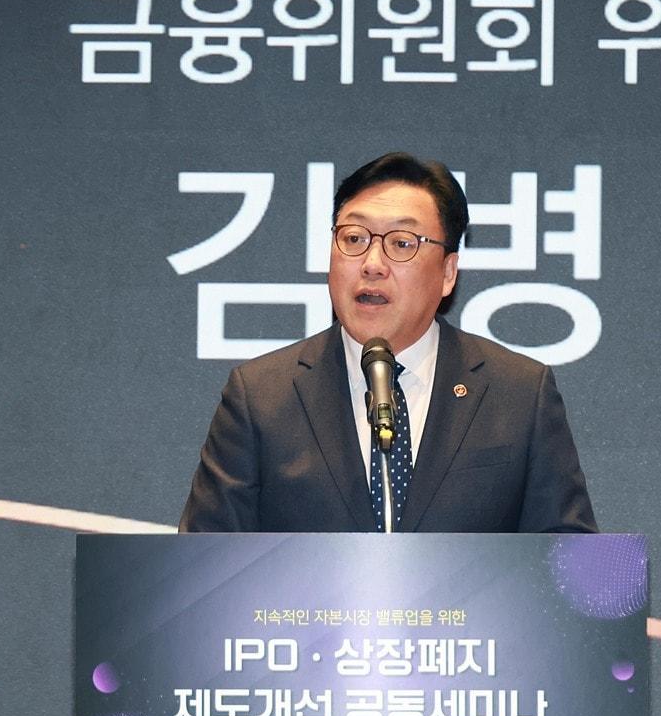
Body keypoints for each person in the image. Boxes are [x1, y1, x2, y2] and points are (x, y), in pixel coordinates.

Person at [179, 152, 596, 533]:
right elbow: (202, 565)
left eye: (401, 243)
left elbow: (572, 563)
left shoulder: (519, 393)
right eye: (354, 238)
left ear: (448, 272)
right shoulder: (261, 396)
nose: (372, 264)